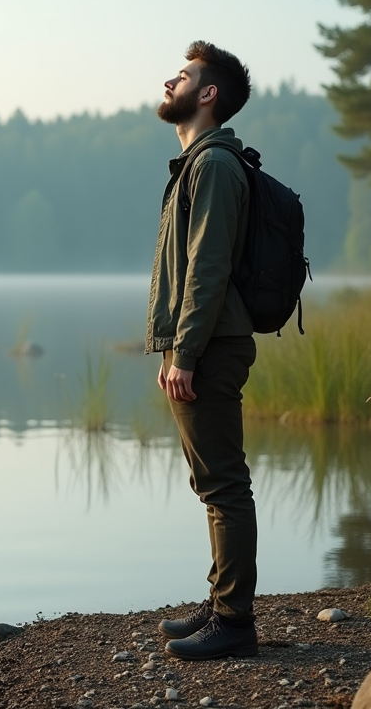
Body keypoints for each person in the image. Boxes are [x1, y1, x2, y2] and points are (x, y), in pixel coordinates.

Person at [145, 40, 259, 661]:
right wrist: (177, 349)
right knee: (210, 480)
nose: (171, 80)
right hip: (202, 342)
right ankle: (223, 602)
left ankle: (235, 622)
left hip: (211, 344)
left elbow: (206, 267)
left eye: (183, 75)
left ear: (207, 94)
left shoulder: (213, 165)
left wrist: (184, 352)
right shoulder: (198, 163)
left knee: (222, 483)